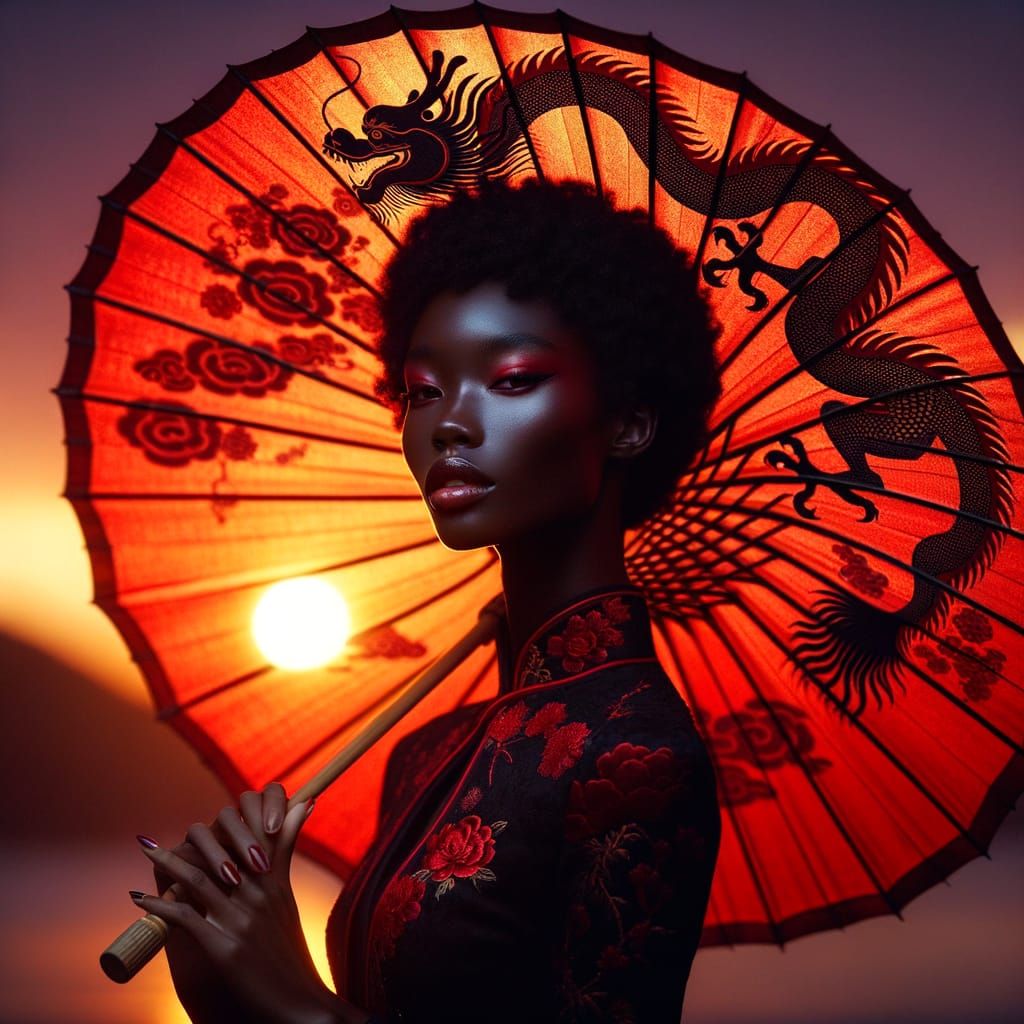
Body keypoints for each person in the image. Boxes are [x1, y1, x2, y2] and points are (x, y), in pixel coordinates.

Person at [131, 177, 723, 1023]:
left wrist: (296, 1003)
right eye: (422, 390)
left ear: (629, 421)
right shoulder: (425, 752)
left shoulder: (638, 759)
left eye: (512, 379)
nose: (448, 423)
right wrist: (225, 986)